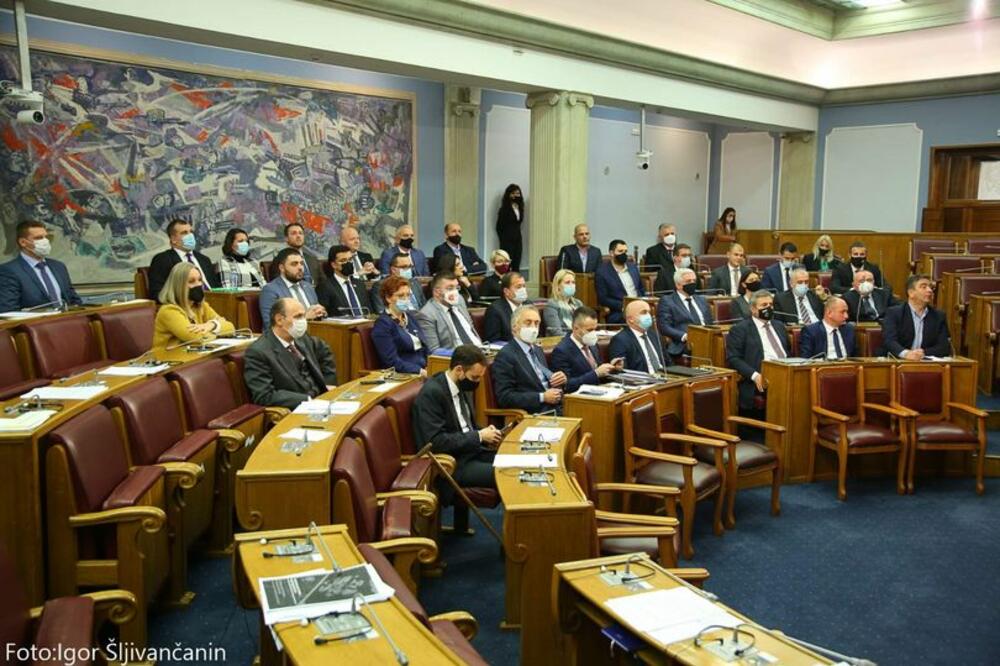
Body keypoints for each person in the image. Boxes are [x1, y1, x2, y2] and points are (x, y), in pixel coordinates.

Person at [412, 344, 502, 489]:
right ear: (459, 370)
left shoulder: (461, 385)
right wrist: (479, 436)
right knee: (506, 474)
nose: (477, 382)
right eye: (475, 377)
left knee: (515, 464)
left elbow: (466, 426)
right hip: (454, 463)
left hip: (472, 452)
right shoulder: (432, 394)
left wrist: (487, 433)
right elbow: (436, 442)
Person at [243, 297, 337, 409]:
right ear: (279, 320)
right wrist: (307, 400)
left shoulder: (302, 338)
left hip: (323, 400)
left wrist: (328, 385)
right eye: (298, 316)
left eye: (303, 316)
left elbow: (325, 352)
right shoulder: (258, 352)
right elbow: (264, 396)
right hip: (297, 408)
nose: (303, 321)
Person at [492, 305, 567, 414]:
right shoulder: (506, 355)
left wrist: (560, 381)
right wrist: (542, 397)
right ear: (514, 327)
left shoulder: (537, 349)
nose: (533, 328)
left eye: (536, 323)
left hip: (557, 407)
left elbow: (543, 381)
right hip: (535, 413)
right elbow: (505, 397)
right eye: (528, 323)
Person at [726, 291, 790, 414]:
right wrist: (755, 376)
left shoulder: (779, 326)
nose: (769, 308)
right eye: (764, 305)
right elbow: (733, 358)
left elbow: (788, 351)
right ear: (753, 309)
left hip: (786, 372)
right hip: (762, 375)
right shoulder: (740, 329)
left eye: (771, 305)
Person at [0, 220, 82, 311]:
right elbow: (9, 310)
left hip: (67, 319)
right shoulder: (8, 271)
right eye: (38, 238)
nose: (45, 241)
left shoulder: (59, 267)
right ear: (23, 242)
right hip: (34, 320)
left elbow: (74, 299)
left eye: (46, 237)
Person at [153, 262, 234, 349]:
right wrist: (219, 328)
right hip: (169, 356)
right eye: (191, 281)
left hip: (194, 354)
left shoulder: (201, 306)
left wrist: (212, 325)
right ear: (179, 286)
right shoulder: (169, 311)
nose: (198, 284)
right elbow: (197, 338)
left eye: (200, 280)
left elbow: (231, 328)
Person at [550, 306, 623, 393]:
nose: (593, 333)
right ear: (575, 328)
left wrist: (613, 369)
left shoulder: (593, 345)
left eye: (595, 329)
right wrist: (596, 374)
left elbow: (600, 373)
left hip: (599, 392)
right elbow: (567, 385)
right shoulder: (562, 351)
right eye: (589, 330)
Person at [148, 219, 219, 301]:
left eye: (191, 232)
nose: (190, 236)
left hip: (215, 301)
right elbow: (158, 293)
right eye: (184, 233)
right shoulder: (162, 260)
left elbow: (216, 287)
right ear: (173, 239)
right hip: (186, 304)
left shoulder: (204, 260)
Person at [882, 274, 951, 359]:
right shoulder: (894, 313)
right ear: (911, 293)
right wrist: (906, 354)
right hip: (898, 361)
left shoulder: (939, 316)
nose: (930, 290)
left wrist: (922, 353)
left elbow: (944, 346)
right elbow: (889, 341)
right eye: (924, 287)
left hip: (925, 362)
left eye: (931, 287)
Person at [371, 276, 429, 375]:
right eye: (401, 296)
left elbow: (424, 347)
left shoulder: (410, 317)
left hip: (424, 368)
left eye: (408, 295)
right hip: (405, 374)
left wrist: (431, 365)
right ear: (388, 298)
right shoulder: (383, 324)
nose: (406, 299)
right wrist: (420, 371)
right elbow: (391, 362)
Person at [656, 268, 714, 359]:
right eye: (688, 281)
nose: (692, 283)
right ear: (678, 285)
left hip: (706, 338)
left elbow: (710, 323)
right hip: (684, 343)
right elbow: (664, 327)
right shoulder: (667, 301)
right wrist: (684, 336)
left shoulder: (702, 300)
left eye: (694, 281)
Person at [416, 272, 482, 352]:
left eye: (457, 288)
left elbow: (471, 328)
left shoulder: (460, 300)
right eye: (450, 288)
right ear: (437, 292)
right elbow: (434, 351)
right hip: (456, 355)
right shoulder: (427, 314)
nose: (455, 292)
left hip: (480, 349)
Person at [259, 248, 327, 324]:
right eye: (294, 264)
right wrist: (304, 318)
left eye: (301, 263)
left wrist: (321, 312)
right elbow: (271, 324)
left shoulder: (308, 287)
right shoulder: (270, 290)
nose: (300, 267)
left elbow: (316, 314)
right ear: (282, 268)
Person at [609, 299, 666, 374]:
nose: (649, 316)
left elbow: (667, 362)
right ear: (631, 319)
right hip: (643, 379)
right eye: (644, 312)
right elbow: (622, 371)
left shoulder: (654, 335)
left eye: (649, 312)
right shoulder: (620, 340)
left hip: (665, 377)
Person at [317, 245, 375, 317]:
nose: (348, 263)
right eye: (343, 260)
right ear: (334, 265)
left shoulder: (359, 284)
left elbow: (369, 311)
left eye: (350, 259)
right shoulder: (325, 287)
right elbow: (324, 315)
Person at [596, 239, 645, 324]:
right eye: (620, 251)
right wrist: (625, 306)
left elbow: (641, 289)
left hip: (638, 306)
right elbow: (603, 298)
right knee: (636, 319)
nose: (624, 254)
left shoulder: (633, 267)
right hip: (618, 311)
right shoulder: (602, 272)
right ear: (611, 253)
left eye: (625, 251)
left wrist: (641, 302)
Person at [485, 271, 527, 342]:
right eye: (518, 287)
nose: (523, 290)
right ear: (506, 291)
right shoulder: (495, 310)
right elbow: (494, 340)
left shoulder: (529, 305)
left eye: (524, 286)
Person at [543, 269, 583, 337]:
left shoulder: (578, 303)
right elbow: (556, 332)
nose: (571, 285)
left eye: (573, 282)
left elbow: (585, 326)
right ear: (558, 286)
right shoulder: (552, 305)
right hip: (560, 341)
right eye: (567, 282)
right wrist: (577, 337)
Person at [495, 183, 525, 271]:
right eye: (513, 193)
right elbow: (499, 227)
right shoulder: (504, 209)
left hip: (517, 238)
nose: (516, 195)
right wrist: (503, 239)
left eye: (518, 193)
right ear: (508, 194)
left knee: (517, 260)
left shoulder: (520, 208)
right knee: (507, 262)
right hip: (507, 240)